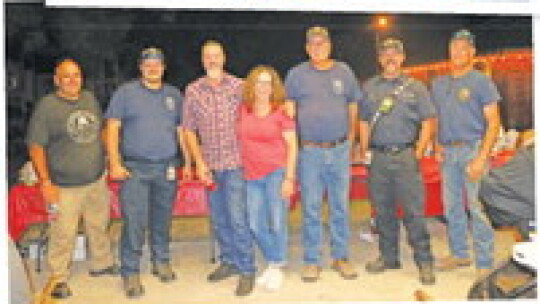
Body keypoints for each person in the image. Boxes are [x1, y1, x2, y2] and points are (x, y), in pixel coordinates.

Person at [26, 58, 117, 299]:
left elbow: (101, 131)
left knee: (98, 225)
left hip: (95, 179)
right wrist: (45, 181)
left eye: (76, 75)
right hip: (63, 185)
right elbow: (36, 146)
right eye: (66, 76)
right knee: (63, 233)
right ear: (56, 80)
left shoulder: (89, 99)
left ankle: (101, 263)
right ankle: (58, 278)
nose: (72, 80)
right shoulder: (47, 107)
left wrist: (110, 159)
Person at [105, 47, 190, 298]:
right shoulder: (126, 93)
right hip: (135, 169)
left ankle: (160, 260)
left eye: (157, 64)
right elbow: (112, 128)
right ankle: (130, 271)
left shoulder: (174, 95)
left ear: (164, 68)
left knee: (162, 219)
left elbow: (181, 131)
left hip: (167, 167)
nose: (153, 68)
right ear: (141, 68)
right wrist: (115, 163)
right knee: (135, 222)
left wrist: (187, 162)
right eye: (147, 64)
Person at [284, 26, 363, 282]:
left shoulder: (345, 71)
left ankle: (341, 257)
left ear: (329, 45)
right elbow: (288, 116)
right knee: (312, 208)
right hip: (310, 153)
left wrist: (352, 141)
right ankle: (312, 260)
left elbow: (353, 107)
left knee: (340, 207)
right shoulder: (296, 75)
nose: (317, 47)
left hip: (339, 150)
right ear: (307, 48)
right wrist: (293, 151)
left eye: (322, 43)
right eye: (312, 44)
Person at [358, 38, 436, 285]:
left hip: (405, 157)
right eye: (385, 54)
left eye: (395, 54)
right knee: (383, 211)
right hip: (378, 158)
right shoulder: (369, 87)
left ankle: (424, 261)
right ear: (379, 59)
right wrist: (363, 149)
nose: (390, 58)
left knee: (414, 211)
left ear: (402, 57)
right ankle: (389, 257)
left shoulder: (416, 87)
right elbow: (362, 121)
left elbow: (428, 121)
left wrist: (419, 151)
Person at [183, 40, 256, 296]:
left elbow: (258, 117)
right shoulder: (193, 91)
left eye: (216, 56)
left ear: (224, 58)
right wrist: (198, 162)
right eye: (207, 57)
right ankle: (230, 262)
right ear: (203, 61)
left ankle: (247, 269)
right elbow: (189, 130)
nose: (212, 60)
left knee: (238, 219)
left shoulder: (240, 87)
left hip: (236, 164)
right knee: (220, 220)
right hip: (210, 167)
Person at [431, 29, 501, 278]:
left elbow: (493, 122)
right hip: (448, 153)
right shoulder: (439, 83)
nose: (458, 51)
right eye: (454, 46)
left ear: (472, 52)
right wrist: (437, 144)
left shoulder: (481, 81)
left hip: (473, 149)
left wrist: (482, 157)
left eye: (464, 47)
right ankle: (459, 253)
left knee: (478, 207)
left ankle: (484, 262)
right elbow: (436, 117)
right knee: (451, 208)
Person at [237, 65, 298, 290]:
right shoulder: (244, 109)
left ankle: (276, 266)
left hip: (276, 172)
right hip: (251, 175)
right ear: (251, 85)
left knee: (277, 221)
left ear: (274, 87)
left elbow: (292, 145)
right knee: (255, 223)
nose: (263, 87)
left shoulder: (282, 111)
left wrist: (289, 178)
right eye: (259, 82)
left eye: (267, 83)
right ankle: (275, 260)